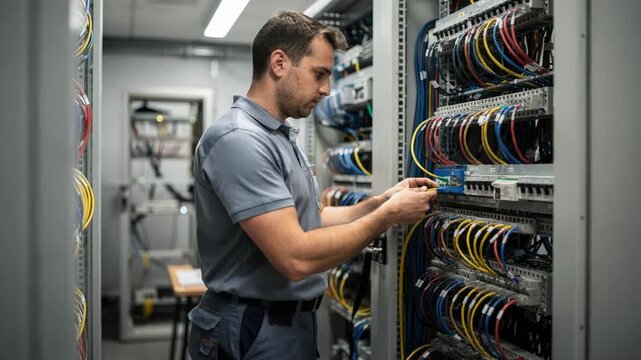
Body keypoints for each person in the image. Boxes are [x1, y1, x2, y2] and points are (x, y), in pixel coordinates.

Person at [188, 10, 438, 360]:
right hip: (252, 325)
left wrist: (381, 201)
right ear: (279, 63)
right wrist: (387, 218)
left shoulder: (276, 136)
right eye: (318, 74)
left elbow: (313, 217)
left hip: (281, 324)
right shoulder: (239, 140)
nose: (326, 89)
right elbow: (295, 256)